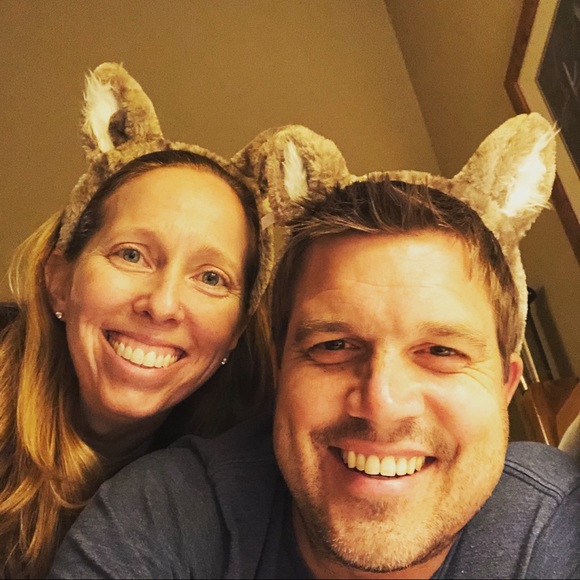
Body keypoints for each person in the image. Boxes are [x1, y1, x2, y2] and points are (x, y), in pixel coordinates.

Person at [48, 116, 580, 579]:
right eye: (335, 345)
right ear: (279, 370)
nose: (381, 403)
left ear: (506, 384)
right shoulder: (159, 516)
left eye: (441, 352)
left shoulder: (558, 523)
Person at [0, 63, 276, 579]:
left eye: (211, 278)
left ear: (235, 335)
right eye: (131, 255)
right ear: (59, 280)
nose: (163, 305)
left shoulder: (231, 486)